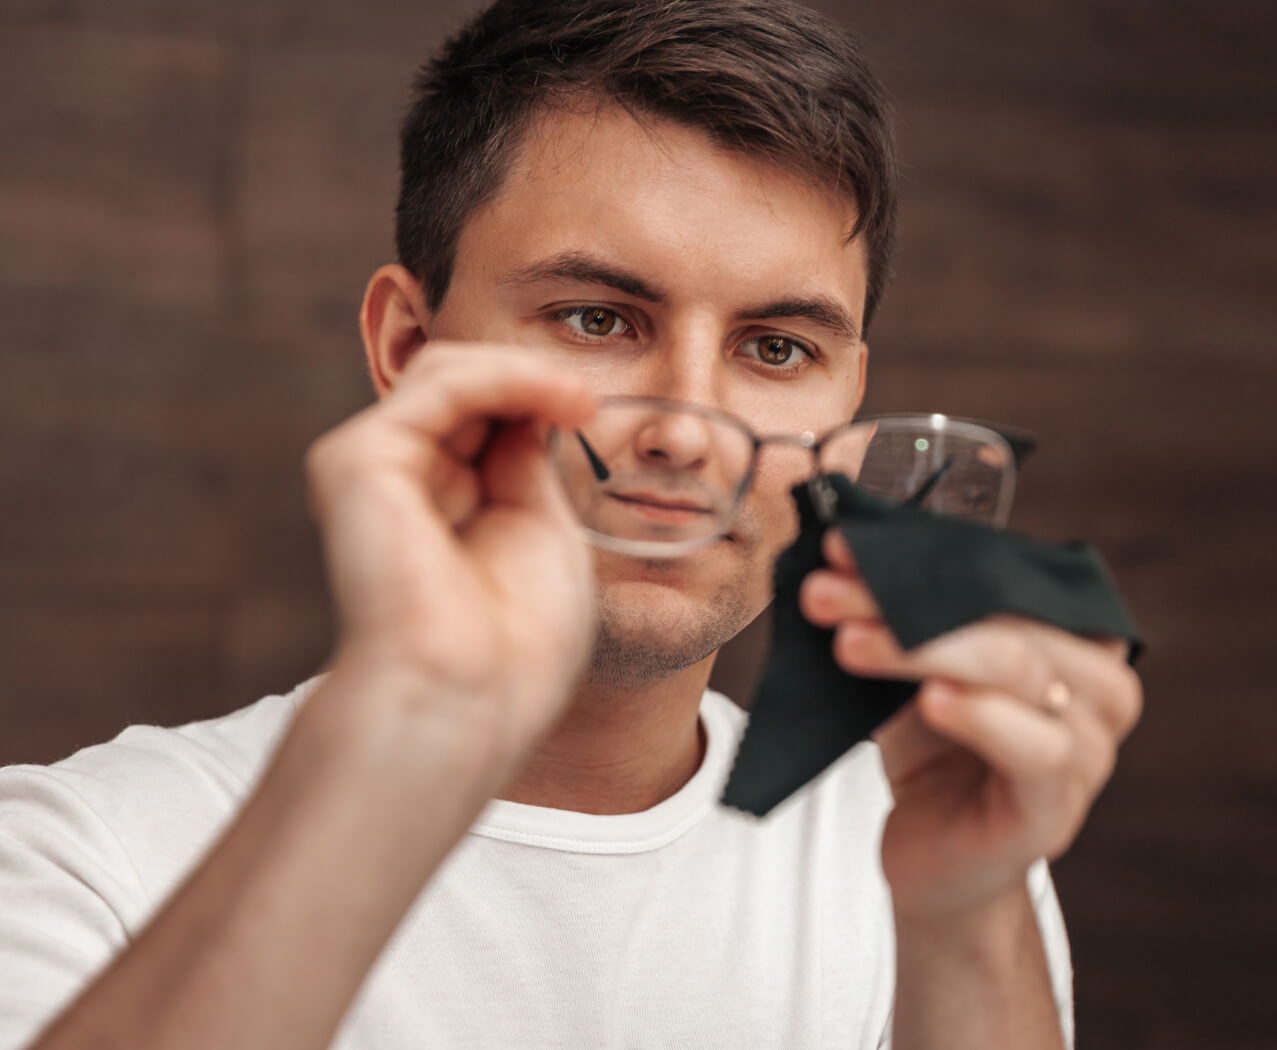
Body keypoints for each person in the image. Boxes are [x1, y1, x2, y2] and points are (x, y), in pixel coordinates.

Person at [0, 2, 1143, 1048]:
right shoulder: (79, 860)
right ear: (409, 349)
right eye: (597, 318)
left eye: (777, 348)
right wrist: (399, 738)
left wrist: (966, 912)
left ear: (848, 397)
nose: (689, 433)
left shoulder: (926, 854)